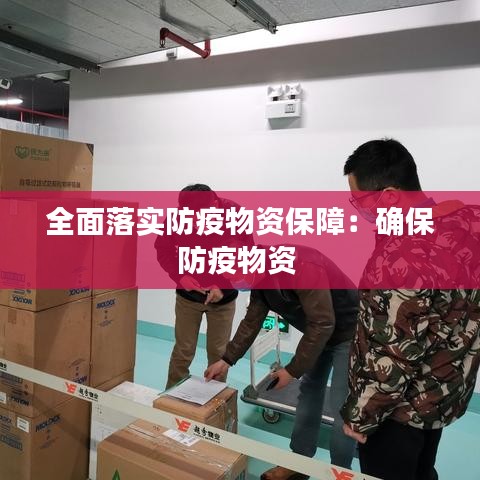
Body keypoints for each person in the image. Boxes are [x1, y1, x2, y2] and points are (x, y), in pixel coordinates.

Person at [340, 139, 480, 480]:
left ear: (389, 196)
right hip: (442, 393)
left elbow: (394, 352)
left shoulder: (401, 257)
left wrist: (361, 416)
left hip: (397, 412)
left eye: (359, 201)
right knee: (423, 470)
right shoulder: (467, 223)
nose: (359, 210)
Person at [205, 243, 359, 480]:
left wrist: (292, 370)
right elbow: (251, 321)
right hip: (318, 331)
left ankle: (342, 473)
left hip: (348, 331)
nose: (233, 281)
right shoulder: (259, 279)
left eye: (234, 274)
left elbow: (323, 322)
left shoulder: (302, 266)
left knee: (342, 404)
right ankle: (299, 462)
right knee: (309, 392)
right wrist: (226, 360)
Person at [154, 184, 253, 389]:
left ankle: (214, 400)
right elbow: (163, 249)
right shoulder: (178, 217)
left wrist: (223, 286)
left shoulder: (235, 215)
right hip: (188, 297)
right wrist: (180, 277)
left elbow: (245, 256)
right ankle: (171, 397)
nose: (195, 222)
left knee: (219, 353)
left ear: (214, 205)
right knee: (183, 350)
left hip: (224, 300)